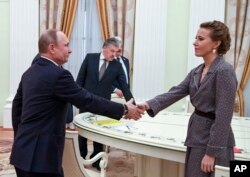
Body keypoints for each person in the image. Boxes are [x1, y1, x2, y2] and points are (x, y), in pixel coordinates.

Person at [10, 29, 143, 177]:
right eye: (66, 45)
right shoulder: (59, 75)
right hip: (43, 159)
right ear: (52, 48)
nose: (70, 50)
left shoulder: (29, 72)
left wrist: (21, 138)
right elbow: (87, 100)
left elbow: (16, 110)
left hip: (21, 153)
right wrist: (124, 109)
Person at [138, 20, 237, 177]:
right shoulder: (197, 71)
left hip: (214, 141)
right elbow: (176, 92)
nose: (194, 42)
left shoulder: (224, 71)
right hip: (196, 134)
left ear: (216, 43)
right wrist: (148, 104)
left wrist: (211, 153)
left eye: (200, 39)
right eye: (196, 37)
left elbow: (224, 116)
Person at [76, 37, 135, 170]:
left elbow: (124, 87)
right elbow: (79, 80)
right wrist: (76, 98)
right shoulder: (90, 58)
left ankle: (97, 161)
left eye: (116, 51)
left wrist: (133, 106)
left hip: (103, 105)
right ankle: (81, 157)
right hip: (85, 101)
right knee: (83, 132)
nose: (114, 54)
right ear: (104, 48)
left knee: (98, 133)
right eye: (112, 51)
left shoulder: (117, 65)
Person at [31, 53, 75, 130]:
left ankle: (68, 121)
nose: (69, 50)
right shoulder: (40, 58)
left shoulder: (54, 58)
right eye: (65, 45)